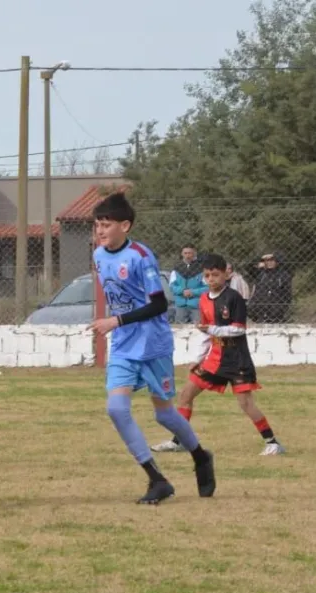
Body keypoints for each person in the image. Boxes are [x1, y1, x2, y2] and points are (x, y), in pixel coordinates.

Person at [87, 192, 216, 505]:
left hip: (153, 344)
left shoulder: (141, 256)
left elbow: (159, 305)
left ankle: (200, 456)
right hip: (123, 346)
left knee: (164, 414)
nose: (100, 231)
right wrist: (115, 324)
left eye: (106, 225)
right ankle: (157, 479)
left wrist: (116, 320)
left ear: (125, 226)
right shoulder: (99, 256)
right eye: (97, 225)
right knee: (116, 409)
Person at [161, 254, 285, 456]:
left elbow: (238, 329)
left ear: (225, 275)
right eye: (207, 275)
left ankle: (272, 443)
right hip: (214, 359)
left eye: (215, 275)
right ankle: (179, 441)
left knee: (246, 403)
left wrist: (212, 329)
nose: (211, 279)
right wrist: (197, 359)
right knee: (186, 394)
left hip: (237, 360)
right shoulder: (203, 299)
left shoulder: (234, 298)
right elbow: (205, 333)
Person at [169, 244, 207, 324]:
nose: (187, 255)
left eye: (190, 253)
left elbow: (207, 288)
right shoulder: (176, 269)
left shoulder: (202, 269)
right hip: (180, 305)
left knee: (198, 328)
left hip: (196, 305)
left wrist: (193, 292)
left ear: (194, 253)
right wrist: (182, 291)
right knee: (179, 329)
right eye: (185, 253)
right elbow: (172, 286)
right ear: (182, 254)